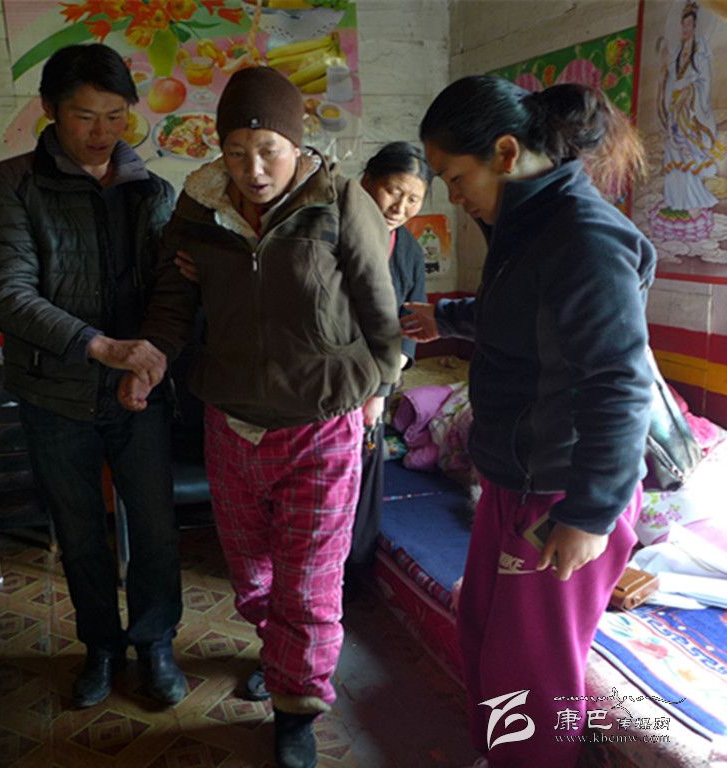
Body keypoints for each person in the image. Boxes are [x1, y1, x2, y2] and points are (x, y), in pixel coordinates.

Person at [119, 66, 402, 768]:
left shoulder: (340, 199)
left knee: (309, 583)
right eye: (237, 151)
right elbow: (173, 300)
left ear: (297, 147)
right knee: (251, 574)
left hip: (322, 420)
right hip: (232, 420)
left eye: (269, 150)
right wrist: (152, 355)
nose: (252, 169)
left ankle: (297, 706)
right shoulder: (201, 204)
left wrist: (380, 387)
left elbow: (379, 306)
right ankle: (281, 656)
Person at [402, 76, 655, 768]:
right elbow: (524, 313)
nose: (454, 196)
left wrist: (590, 517)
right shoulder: (527, 225)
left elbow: (619, 384)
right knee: (483, 628)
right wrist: (447, 319)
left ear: (507, 152)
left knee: (531, 670)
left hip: (564, 489)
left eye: (457, 178)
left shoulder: (585, 238)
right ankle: (503, 755)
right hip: (516, 475)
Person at [0, 43, 186, 710]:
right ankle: (100, 646)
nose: (101, 133)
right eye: (84, 116)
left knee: (155, 528)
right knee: (80, 529)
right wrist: (100, 347)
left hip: (139, 394)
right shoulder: (8, 184)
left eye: (116, 116)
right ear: (49, 110)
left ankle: (154, 643)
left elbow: (171, 292)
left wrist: (147, 361)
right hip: (54, 394)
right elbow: (5, 292)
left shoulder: (154, 191)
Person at [344, 142, 432, 587]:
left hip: (376, 384)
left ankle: (353, 577)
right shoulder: (332, 230)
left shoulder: (409, 250)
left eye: (413, 199)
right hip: (328, 378)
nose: (400, 207)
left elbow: (410, 323)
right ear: (367, 182)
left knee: (364, 478)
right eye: (393, 191)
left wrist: (381, 388)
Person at [658, 0, 723, 215]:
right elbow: (671, 80)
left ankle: (694, 199)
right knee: (674, 149)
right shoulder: (678, 52)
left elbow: (705, 79)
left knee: (689, 152)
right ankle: (675, 199)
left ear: (695, 26)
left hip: (691, 109)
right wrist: (666, 74)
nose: (686, 29)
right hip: (676, 109)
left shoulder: (701, 49)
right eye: (683, 25)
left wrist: (691, 91)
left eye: (690, 25)